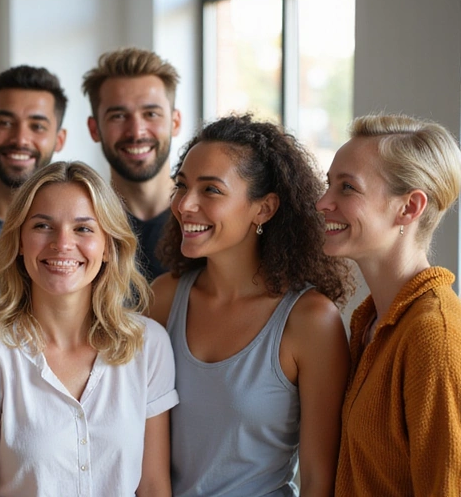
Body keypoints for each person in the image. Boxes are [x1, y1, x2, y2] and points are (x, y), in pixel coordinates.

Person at [0, 161, 178, 497]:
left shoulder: (148, 345)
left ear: (108, 246)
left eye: (83, 229)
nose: (62, 243)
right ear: (20, 241)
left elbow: (153, 487)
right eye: (43, 226)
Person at [149, 114, 353, 496]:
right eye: (182, 186)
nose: (184, 204)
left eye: (211, 190)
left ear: (264, 208)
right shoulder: (163, 298)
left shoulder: (310, 321)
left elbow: (318, 480)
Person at [316, 113, 461, 496]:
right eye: (329, 184)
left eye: (347, 188)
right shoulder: (369, 323)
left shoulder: (434, 334)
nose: (322, 202)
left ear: (409, 208)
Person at [82, 47, 182, 281]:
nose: (136, 132)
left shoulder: (206, 218)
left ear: (175, 122)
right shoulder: (80, 224)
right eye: (118, 116)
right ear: (94, 129)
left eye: (151, 114)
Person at [0, 65, 68, 296]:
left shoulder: (76, 239)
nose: (20, 139)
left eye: (37, 126)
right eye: (5, 123)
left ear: (59, 139)